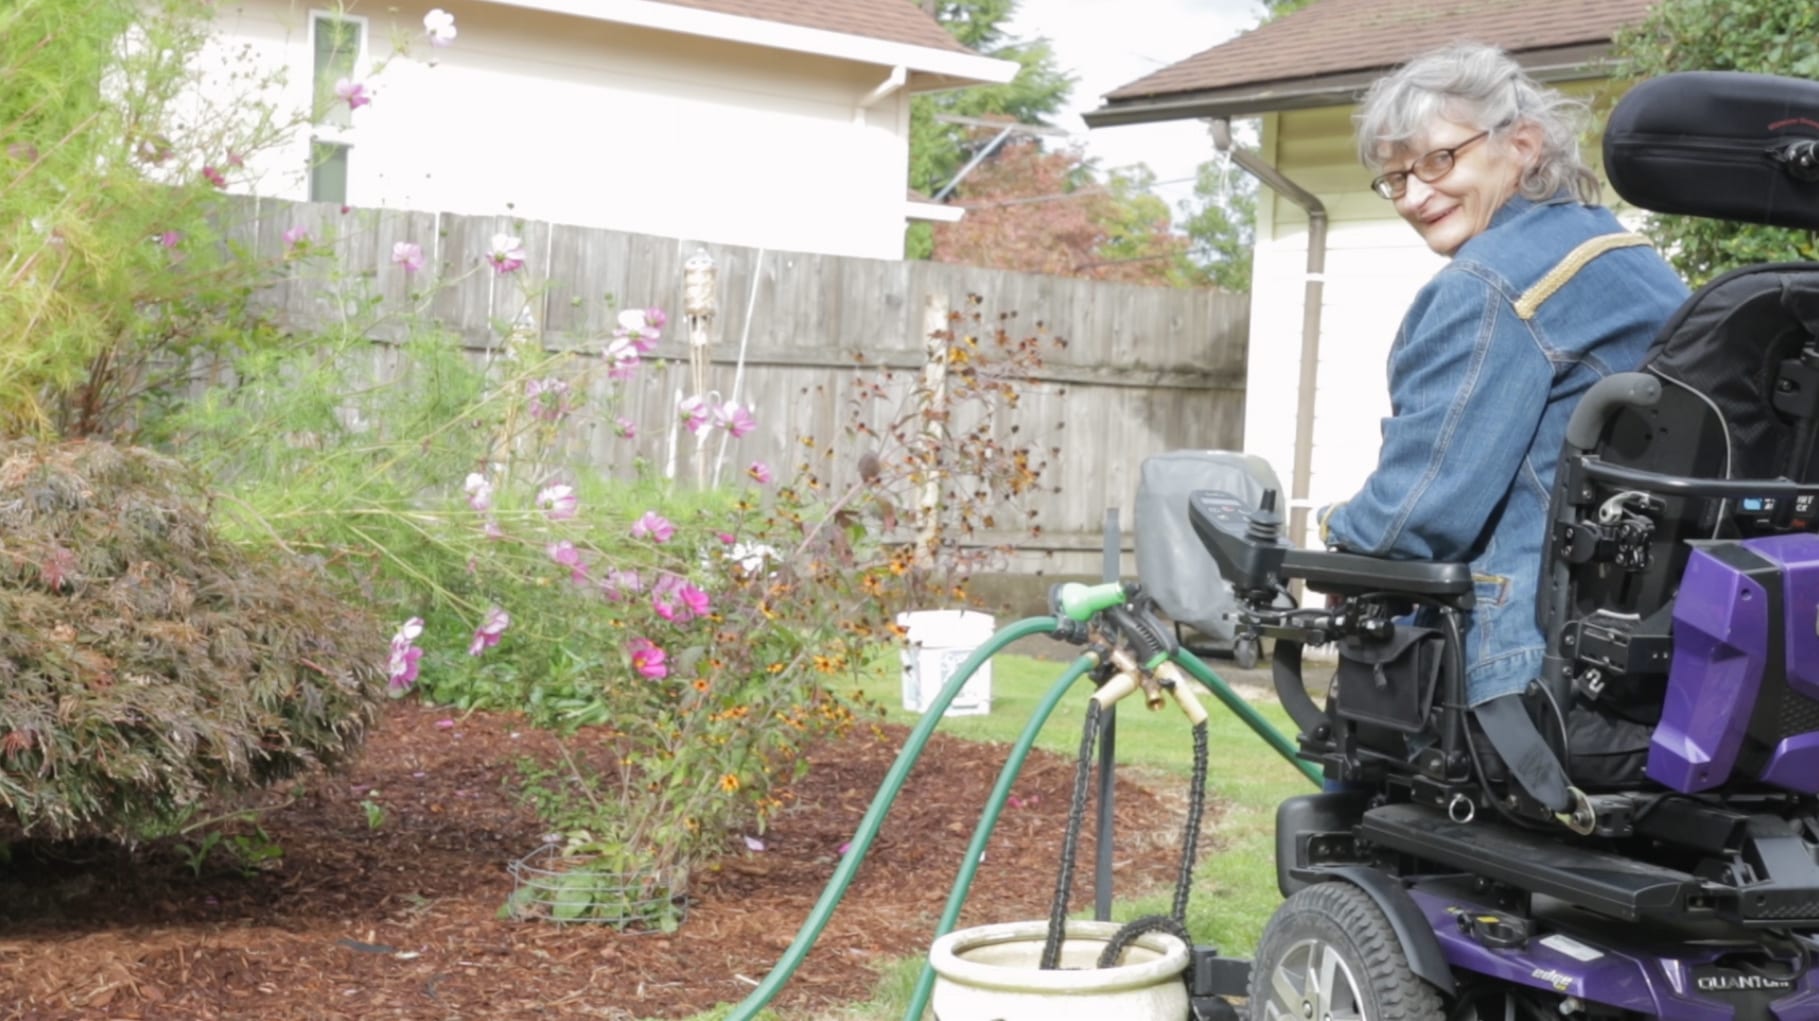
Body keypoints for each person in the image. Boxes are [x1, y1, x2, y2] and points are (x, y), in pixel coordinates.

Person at [1318, 43, 1688, 812]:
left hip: (1524, 686)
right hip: (1661, 673)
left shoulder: (1488, 287)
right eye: (1394, 178)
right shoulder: (1633, 262)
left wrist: (1331, 529)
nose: (1414, 195)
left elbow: (1413, 519)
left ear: (1521, 145)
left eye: (1436, 160)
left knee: (1343, 760)